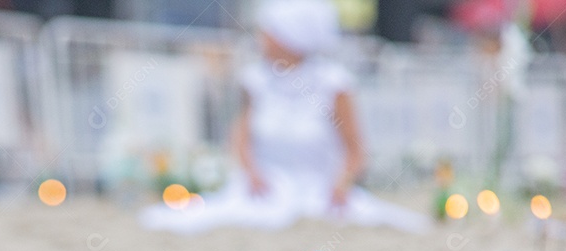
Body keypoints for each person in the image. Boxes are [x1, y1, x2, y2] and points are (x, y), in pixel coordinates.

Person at [140, 0, 430, 235]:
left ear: (292, 36)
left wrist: (341, 184)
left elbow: (355, 147)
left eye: (269, 33)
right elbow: (241, 135)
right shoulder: (255, 79)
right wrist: (251, 174)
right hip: (266, 187)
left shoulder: (334, 83)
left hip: (318, 190)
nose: (262, 40)